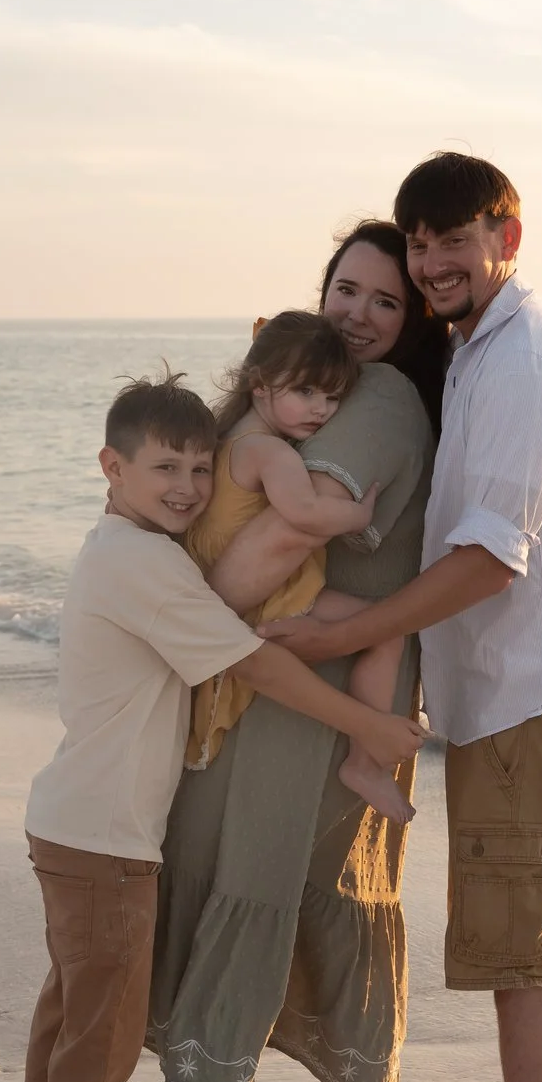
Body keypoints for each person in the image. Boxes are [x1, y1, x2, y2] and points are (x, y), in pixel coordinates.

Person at [262, 154, 542, 1082]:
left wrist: (350, 629)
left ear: (506, 238)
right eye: (416, 243)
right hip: (540, 689)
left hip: (532, 695)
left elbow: (490, 559)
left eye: (451, 240)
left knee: (521, 949)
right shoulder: (486, 347)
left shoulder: (519, 365)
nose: (429, 264)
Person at [15, 372, 425, 1082]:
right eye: (165, 466)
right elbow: (255, 665)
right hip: (107, 836)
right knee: (103, 1037)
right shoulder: (147, 566)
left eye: (202, 467)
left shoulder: (118, 546)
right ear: (111, 466)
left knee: (69, 1015)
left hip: (72, 821)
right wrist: (369, 726)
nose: (189, 488)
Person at [142, 221, 449, 1082]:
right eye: (344, 290)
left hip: (294, 677)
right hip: (350, 672)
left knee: (243, 883)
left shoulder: (380, 399)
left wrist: (178, 635)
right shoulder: (350, 392)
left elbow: (289, 528)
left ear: (412, 324)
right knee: (342, 895)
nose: (358, 314)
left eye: (384, 301)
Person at [183, 310, 417, 825]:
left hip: (228, 586)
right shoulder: (270, 452)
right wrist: (359, 512)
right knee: (386, 630)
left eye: (332, 397)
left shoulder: (224, 442)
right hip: (275, 598)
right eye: (306, 392)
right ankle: (365, 763)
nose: (322, 410)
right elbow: (306, 514)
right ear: (260, 385)